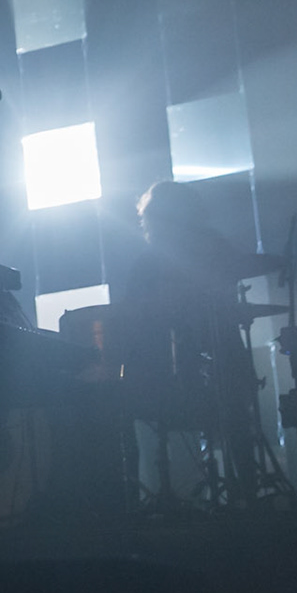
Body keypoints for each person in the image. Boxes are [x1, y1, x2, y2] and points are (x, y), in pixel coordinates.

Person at [120, 180, 261, 504]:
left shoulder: (211, 250)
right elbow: (133, 314)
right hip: (170, 361)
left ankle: (243, 492)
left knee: (234, 403)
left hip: (213, 350)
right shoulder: (149, 263)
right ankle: (245, 493)